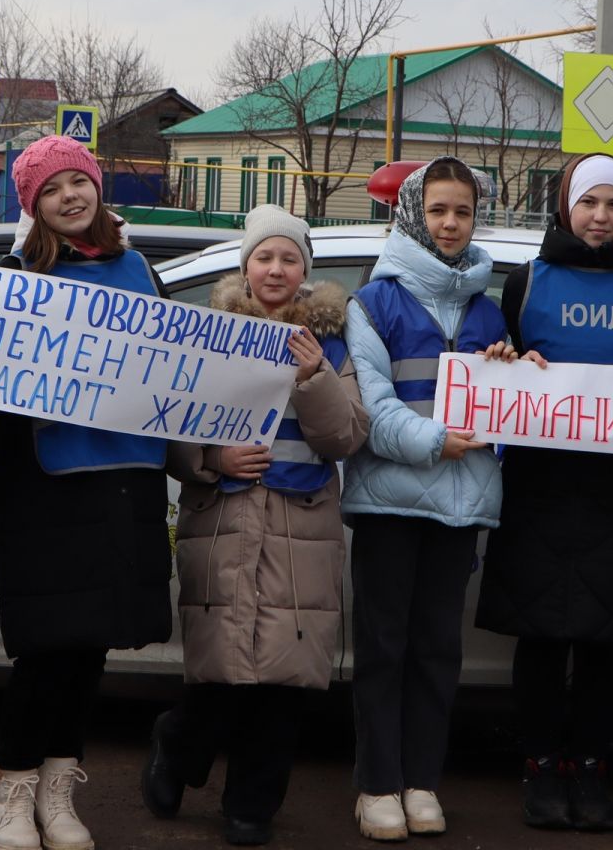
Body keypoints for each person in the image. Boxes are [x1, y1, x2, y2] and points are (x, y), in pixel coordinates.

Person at [141, 205, 370, 846]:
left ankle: (252, 804)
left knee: (280, 686)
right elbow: (167, 428)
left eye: (289, 259)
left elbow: (347, 436)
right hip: (225, 527)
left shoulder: (329, 346)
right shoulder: (211, 336)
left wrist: (313, 379)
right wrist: (212, 459)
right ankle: (177, 747)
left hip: (302, 534)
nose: (276, 269)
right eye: (264, 257)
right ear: (245, 267)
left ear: (305, 272)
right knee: (218, 677)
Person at [474, 153, 613, 833]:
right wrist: (509, 361)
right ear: (565, 206)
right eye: (588, 202)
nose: (600, 217)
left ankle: (591, 769)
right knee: (539, 639)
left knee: (603, 640)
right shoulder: (528, 281)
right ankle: (540, 767)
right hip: (539, 482)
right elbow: (492, 365)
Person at [0, 135, 174, 850]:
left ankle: (60, 790)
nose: (70, 195)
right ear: (33, 204)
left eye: (80, 181)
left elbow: (176, 374)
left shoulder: (136, 270)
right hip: (44, 487)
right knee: (46, 648)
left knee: (91, 647)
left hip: (124, 485)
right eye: (52, 187)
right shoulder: (13, 278)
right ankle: (11, 789)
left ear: (98, 189)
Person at [341, 156, 505, 843]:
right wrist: (437, 440)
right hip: (389, 503)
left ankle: (421, 782)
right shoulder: (372, 302)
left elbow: (512, 404)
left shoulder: (490, 307)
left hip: (460, 506)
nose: (449, 223)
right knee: (383, 648)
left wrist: (513, 378)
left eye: (462, 211)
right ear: (411, 213)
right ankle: (377, 784)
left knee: (438, 649)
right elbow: (371, 409)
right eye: (437, 210)